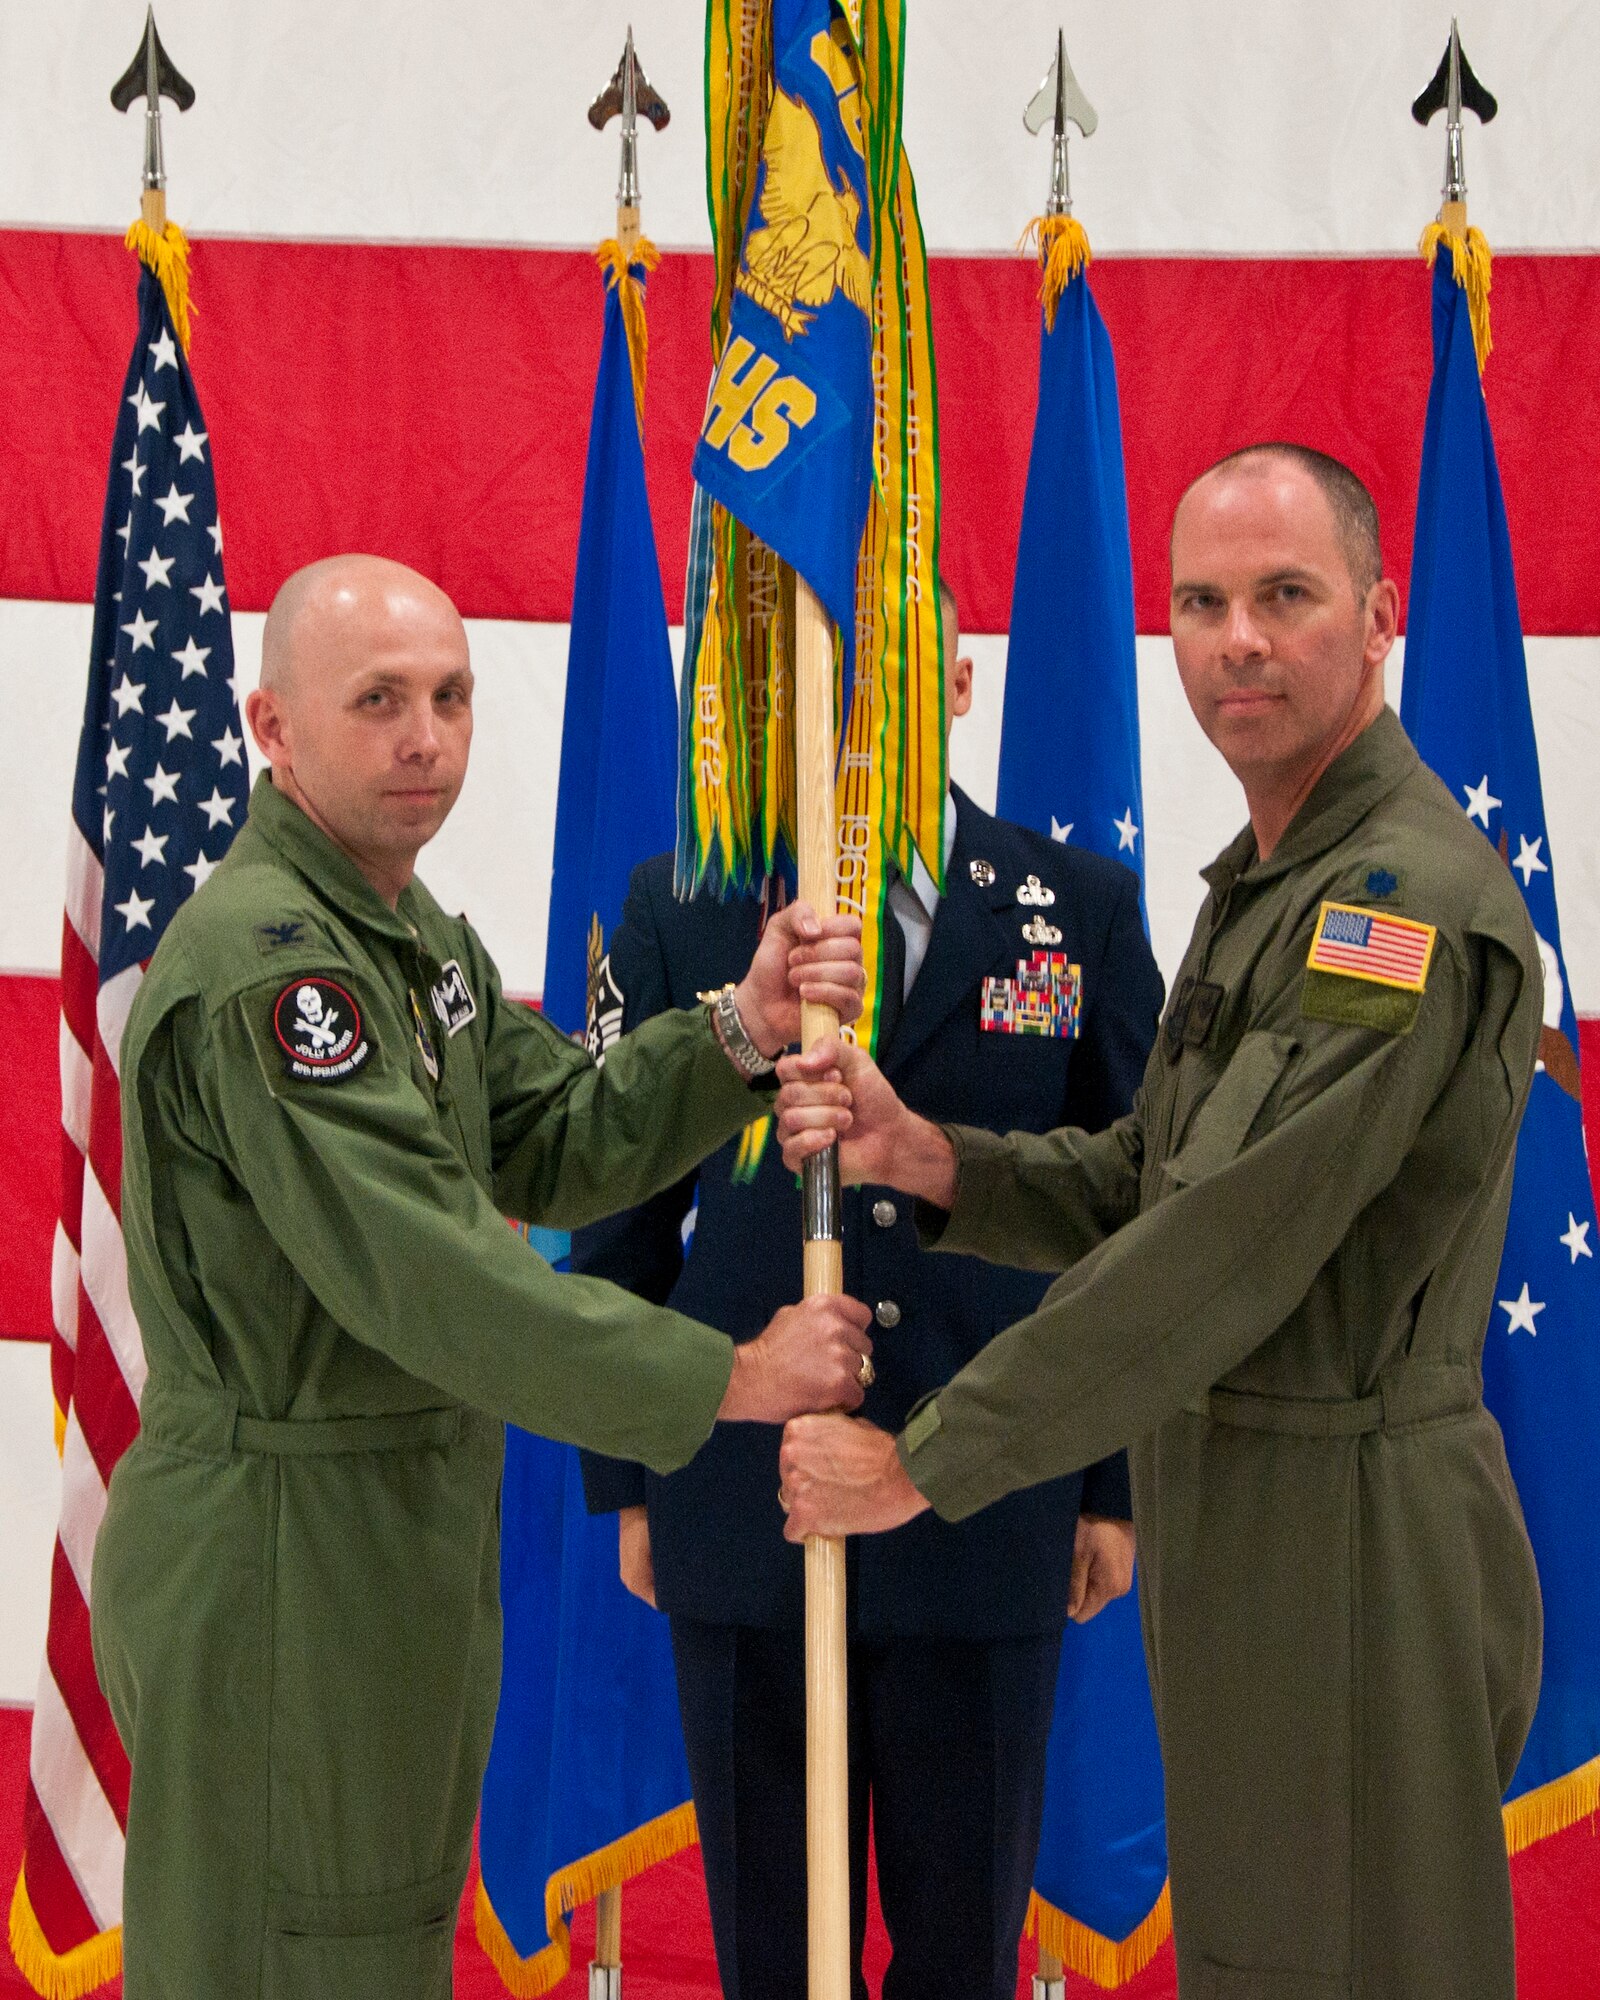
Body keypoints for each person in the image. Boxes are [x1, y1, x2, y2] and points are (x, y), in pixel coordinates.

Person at [776, 448, 1545, 2000]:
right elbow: (1158, 1180)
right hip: (1255, 1512)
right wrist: (939, 1160)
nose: (1237, 639)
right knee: (1266, 1951)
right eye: (1200, 602)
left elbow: (1228, 1250)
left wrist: (928, 1463)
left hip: (1351, 1521)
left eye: (1284, 596)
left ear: (1380, 614)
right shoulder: (1267, 879)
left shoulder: (1390, 906)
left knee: (1355, 1960)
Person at [91, 554, 875, 2000]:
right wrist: (731, 1377)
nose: (427, 737)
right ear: (270, 725)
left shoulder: (402, 934)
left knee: (373, 1944)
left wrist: (739, 1032)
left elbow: (551, 1136)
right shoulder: (282, 974)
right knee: (291, 1958)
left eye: (450, 696)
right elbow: (433, 1278)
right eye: (378, 701)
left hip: (383, 1532)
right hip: (284, 1541)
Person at [573, 580, 1163, 2000]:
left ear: (957, 682)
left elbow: (1136, 1220)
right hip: (743, 1489)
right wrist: (631, 1477)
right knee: (776, 1946)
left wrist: (1106, 1485)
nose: (851, 711)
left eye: (890, 670)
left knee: (962, 1946)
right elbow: (618, 1207)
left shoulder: (1072, 907)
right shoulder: (683, 907)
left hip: (987, 1490)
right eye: (820, 677)